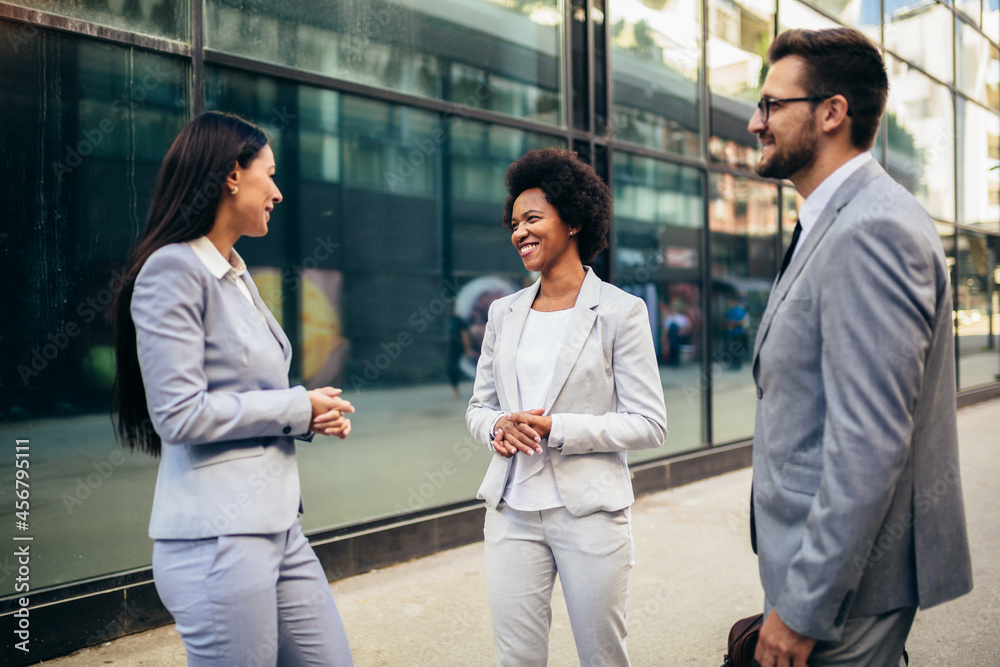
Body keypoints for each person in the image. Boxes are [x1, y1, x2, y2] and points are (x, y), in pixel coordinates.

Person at [746, 28, 972, 667]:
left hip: (844, 593)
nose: (756, 122)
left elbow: (868, 443)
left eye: (771, 105)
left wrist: (802, 609)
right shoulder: (839, 218)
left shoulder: (871, 229)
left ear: (832, 113)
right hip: (825, 570)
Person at [112, 111, 355, 666]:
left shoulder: (235, 272)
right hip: (216, 540)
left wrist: (308, 414)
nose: (278, 193)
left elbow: (246, 390)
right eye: (270, 174)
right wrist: (296, 406)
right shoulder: (173, 270)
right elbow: (178, 415)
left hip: (279, 526)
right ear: (231, 175)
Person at [466, 148, 668, 666]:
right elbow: (479, 406)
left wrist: (556, 428)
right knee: (516, 659)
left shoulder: (622, 312)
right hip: (511, 511)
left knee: (602, 657)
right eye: (515, 224)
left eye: (533, 219)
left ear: (574, 220)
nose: (520, 232)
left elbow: (649, 424)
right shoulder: (503, 312)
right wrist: (498, 426)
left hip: (590, 514)